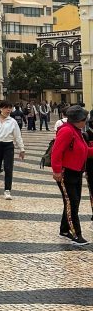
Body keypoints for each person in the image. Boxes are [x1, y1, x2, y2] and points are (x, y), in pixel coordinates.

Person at [50, 104, 93, 246]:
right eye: (84, 119)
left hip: (76, 171)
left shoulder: (76, 130)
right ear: (77, 119)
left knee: (73, 202)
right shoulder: (67, 131)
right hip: (66, 172)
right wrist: (56, 170)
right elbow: (57, 151)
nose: (85, 122)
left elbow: (84, 150)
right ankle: (75, 234)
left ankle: (64, 229)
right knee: (72, 203)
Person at [0, 100, 25, 199]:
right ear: (1, 108)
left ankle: (7, 191)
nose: (9, 110)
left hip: (8, 146)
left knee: (8, 168)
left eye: (10, 108)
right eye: (6, 108)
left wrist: (22, 149)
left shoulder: (12, 121)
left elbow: (18, 136)